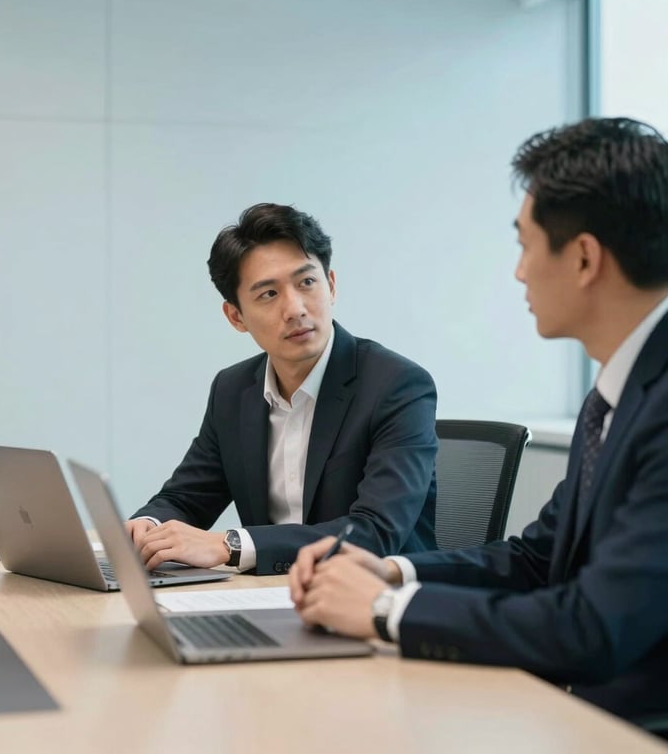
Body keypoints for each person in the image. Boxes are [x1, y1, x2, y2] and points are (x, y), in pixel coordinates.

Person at [288, 117, 668, 723]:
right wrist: (390, 569)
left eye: (524, 244)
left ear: (585, 257)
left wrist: (389, 611)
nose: (518, 271)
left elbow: (594, 628)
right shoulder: (620, 396)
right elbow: (536, 561)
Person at [126, 202, 438, 575]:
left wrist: (231, 545)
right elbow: (186, 497)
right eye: (268, 295)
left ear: (332, 285)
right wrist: (149, 526)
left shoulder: (396, 385)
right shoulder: (233, 389)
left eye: (307, 282)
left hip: (374, 602)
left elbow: (374, 533)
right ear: (236, 316)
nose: (295, 309)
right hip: (269, 595)